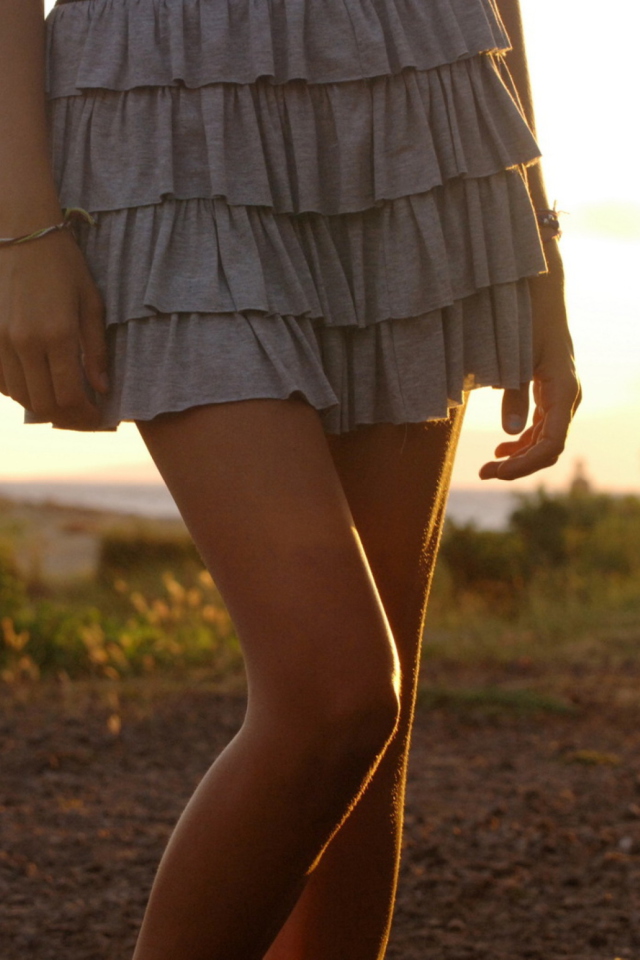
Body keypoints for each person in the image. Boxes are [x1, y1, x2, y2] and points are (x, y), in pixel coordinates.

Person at [0, 0, 581, 957]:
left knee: (364, 747)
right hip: (167, 115)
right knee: (337, 692)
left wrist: (539, 243)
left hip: (417, 99)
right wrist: (21, 232)